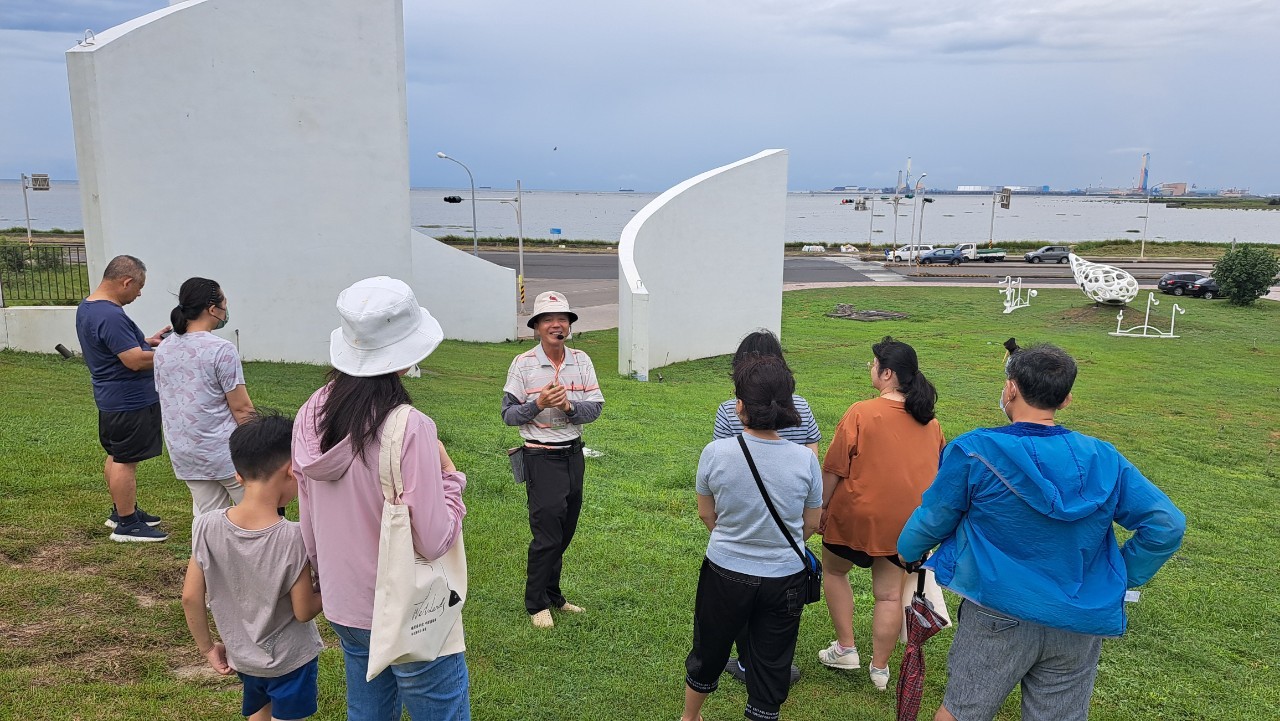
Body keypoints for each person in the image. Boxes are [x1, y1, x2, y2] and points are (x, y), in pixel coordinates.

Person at [898, 343, 1186, 721]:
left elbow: (934, 517)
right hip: (1076, 620)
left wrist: (907, 550)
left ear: (1011, 389)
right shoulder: (1103, 456)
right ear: (1066, 399)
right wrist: (1116, 574)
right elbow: (1166, 524)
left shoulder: (975, 450)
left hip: (997, 611)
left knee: (962, 711)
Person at [294, 276, 469, 720]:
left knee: (368, 709)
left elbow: (308, 513)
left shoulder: (312, 410)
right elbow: (432, 539)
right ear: (406, 354)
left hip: (343, 598)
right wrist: (452, 481)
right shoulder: (409, 426)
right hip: (409, 608)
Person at [681, 355, 823, 721]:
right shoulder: (805, 461)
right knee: (773, 660)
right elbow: (811, 523)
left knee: (709, 648)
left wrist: (731, 538)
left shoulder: (715, 453)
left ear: (739, 405)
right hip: (785, 577)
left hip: (724, 571)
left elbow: (705, 513)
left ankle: (690, 717)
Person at [816, 336, 945, 690]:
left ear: (887, 373)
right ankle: (880, 669)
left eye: (873, 364)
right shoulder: (931, 423)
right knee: (888, 595)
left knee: (833, 570)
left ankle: (846, 647)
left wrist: (821, 509)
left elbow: (834, 469)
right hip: (906, 526)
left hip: (855, 516)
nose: (870, 369)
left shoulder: (861, 411)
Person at [181, 411, 324, 721]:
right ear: (291, 471)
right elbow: (303, 610)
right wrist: (328, 587)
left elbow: (190, 597)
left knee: (258, 715)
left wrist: (207, 648)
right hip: (291, 661)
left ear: (238, 475)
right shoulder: (293, 537)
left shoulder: (205, 526)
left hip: (244, 658)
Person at [712, 329, 820, 686]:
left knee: (740, 597)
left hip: (739, 525)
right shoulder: (800, 406)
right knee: (781, 608)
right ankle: (774, 668)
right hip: (789, 531)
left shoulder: (730, 410)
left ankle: (745, 663)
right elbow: (812, 466)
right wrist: (796, 531)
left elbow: (721, 472)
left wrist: (727, 530)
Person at [502, 291, 604, 628]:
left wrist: (568, 406)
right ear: (537, 327)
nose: (557, 325)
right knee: (547, 532)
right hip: (540, 457)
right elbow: (509, 415)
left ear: (570, 326)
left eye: (563, 319)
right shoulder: (523, 364)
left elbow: (595, 408)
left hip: (574, 455)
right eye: (548, 319)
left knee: (564, 529)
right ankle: (535, 604)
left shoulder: (581, 360)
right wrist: (538, 404)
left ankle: (553, 595)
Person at [74, 254, 170, 542]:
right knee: (125, 460)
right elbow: (134, 361)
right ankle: (127, 525)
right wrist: (174, 353)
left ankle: (121, 511)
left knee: (117, 456)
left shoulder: (89, 307)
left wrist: (149, 342)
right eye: (138, 287)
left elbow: (117, 347)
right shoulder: (111, 315)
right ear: (125, 281)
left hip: (111, 398)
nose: (139, 294)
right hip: (129, 401)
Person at [154, 277, 255, 519]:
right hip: (226, 452)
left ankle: (206, 558)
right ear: (212, 309)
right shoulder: (221, 349)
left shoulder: (164, 349)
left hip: (185, 451)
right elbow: (241, 409)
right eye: (224, 304)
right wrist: (260, 447)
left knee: (208, 522)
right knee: (255, 517)